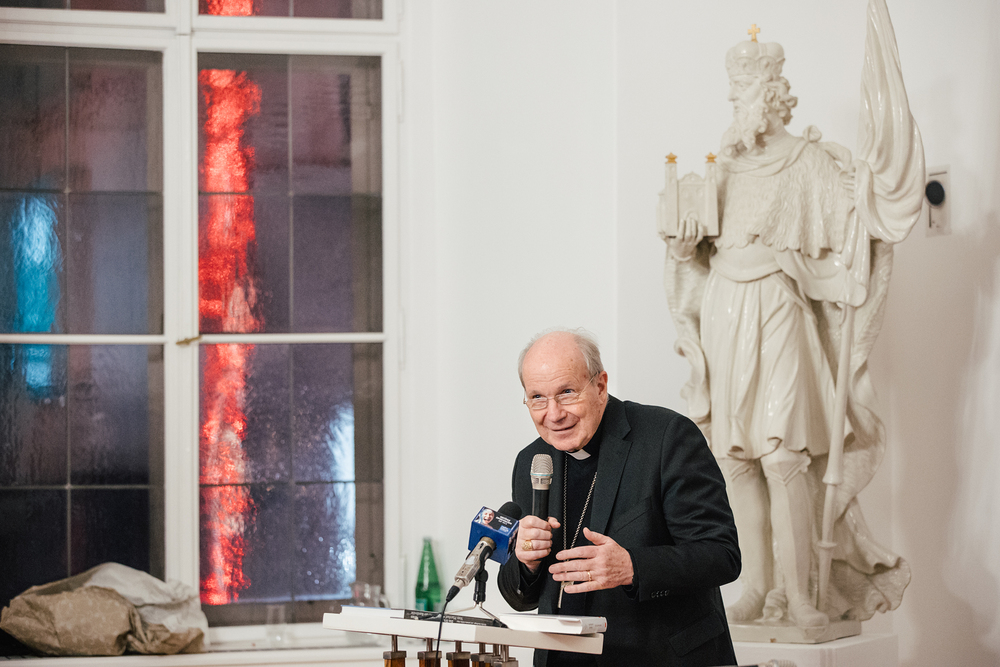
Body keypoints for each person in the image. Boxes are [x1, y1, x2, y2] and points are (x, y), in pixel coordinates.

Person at [662, 30, 916, 635]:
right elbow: (693, 256)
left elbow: (850, 239)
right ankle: (755, 587)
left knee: (783, 457)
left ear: (772, 95)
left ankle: (800, 595)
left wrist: (863, 201)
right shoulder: (721, 169)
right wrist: (682, 246)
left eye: (743, 90)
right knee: (736, 459)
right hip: (725, 310)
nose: (735, 101)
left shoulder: (810, 161)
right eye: (732, 91)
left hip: (779, 307)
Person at [498, 329, 740, 667]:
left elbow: (721, 554)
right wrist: (527, 562)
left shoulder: (666, 437)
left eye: (567, 392)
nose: (553, 414)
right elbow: (520, 597)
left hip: (657, 659)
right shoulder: (533, 461)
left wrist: (632, 567)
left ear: (600, 386)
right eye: (537, 397)